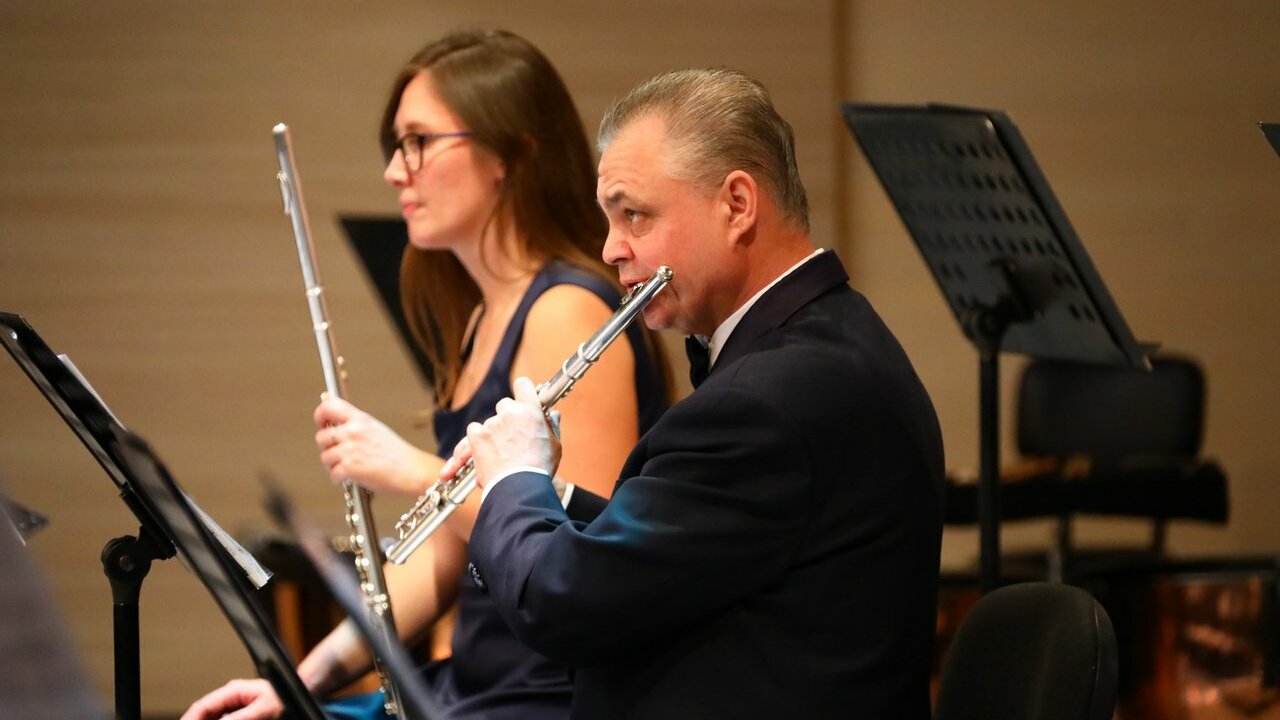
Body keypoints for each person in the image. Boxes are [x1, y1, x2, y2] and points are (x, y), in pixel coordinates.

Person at [182, 29, 668, 720]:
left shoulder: (566, 311)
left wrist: (414, 472)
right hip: (472, 685)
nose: (394, 171)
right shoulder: (482, 317)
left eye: (418, 142)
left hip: (543, 699)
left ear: (509, 155)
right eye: (395, 145)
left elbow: (579, 559)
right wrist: (299, 683)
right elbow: (442, 559)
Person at [454, 68, 946, 718]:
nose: (611, 249)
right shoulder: (831, 338)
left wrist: (513, 482)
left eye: (634, 215)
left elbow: (559, 602)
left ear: (737, 205)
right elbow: (689, 545)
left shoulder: (768, 401)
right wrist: (554, 495)